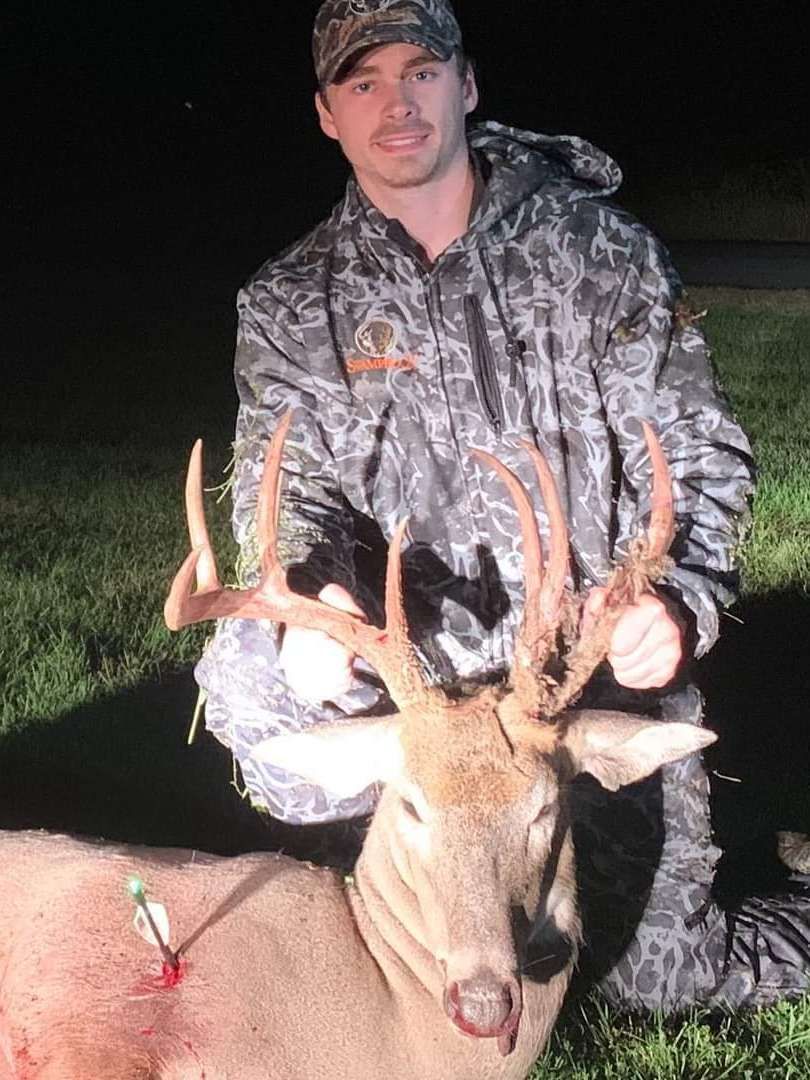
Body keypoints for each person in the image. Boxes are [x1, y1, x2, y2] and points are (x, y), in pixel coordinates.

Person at [195, 0, 810, 1012]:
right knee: (248, 670)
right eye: (363, 82)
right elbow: (288, 489)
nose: (397, 103)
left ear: (465, 85)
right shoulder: (290, 301)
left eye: (420, 72)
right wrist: (310, 597)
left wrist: (678, 603)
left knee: (658, 981)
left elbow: (698, 457)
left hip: (574, 696)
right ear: (325, 114)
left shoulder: (599, 254)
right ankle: (390, 852)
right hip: (415, 702)